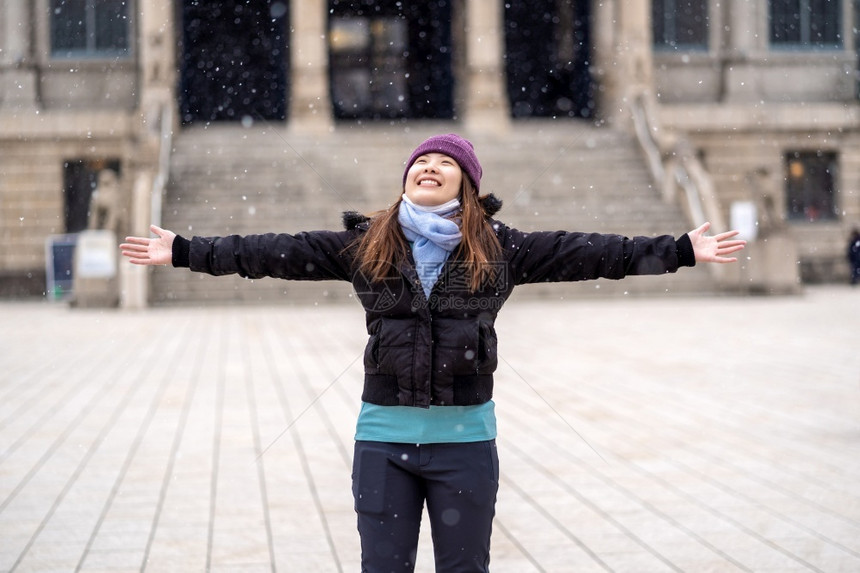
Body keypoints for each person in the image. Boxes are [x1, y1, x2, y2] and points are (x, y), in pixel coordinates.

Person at [120, 133, 746, 572]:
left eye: (446, 162)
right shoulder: (364, 245)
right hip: (383, 445)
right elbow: (267, 253)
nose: (430, 166)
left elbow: (592, 253)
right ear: (405, 178)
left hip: (465, 447)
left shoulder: (503, 249)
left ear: (467, 185)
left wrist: (681, 250)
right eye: (421, 160)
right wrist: (184, 251)